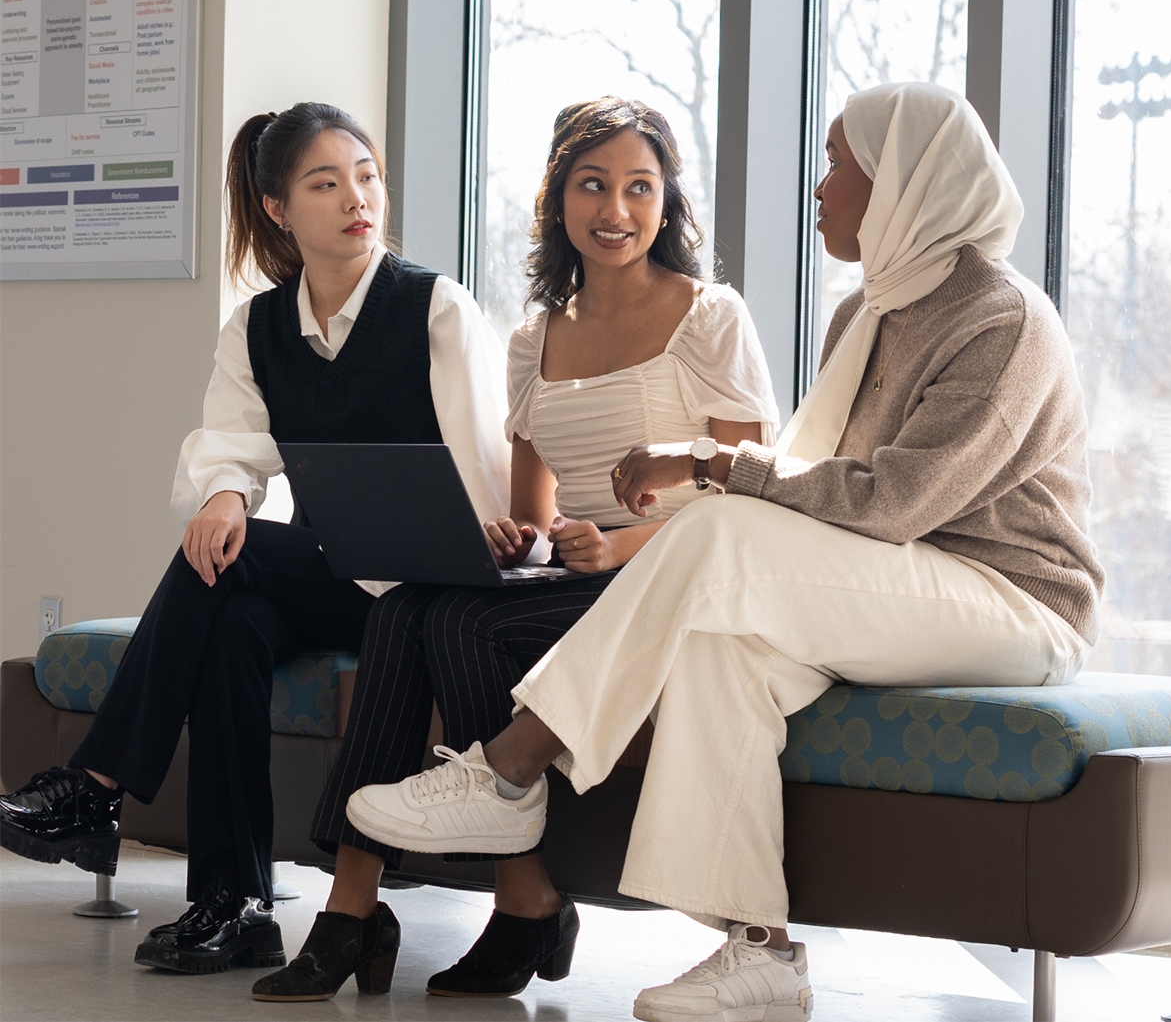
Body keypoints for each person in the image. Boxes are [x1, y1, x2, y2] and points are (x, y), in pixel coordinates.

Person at [346, 82, 1105, 1022]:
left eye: (838, 162)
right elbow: (826, 489)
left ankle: (509, 765)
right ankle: (762, 951)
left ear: (904, 180)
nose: (819, 187)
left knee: (714, 526)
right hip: (904, 582)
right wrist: (720, 476)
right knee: (717, 644)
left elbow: (894, 501)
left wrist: (706, 459)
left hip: (1013, 599)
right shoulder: (869, 312)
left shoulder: (1002, 320)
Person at [249, 96, 779, 1003]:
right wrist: (523, 534)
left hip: (677, 574)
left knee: (449, 617)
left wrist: (620, 548)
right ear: (560, 199)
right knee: (409, 603)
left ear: (668, 202)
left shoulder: (710, 317)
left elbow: (751, 498)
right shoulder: (536, 338)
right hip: (576, 576)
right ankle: (437, 897)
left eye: (640, 188)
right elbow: (535, 510)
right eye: (594, 185)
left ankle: (463, 899)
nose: (616, 211)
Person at [0, 102, 509, 980]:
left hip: (425, 591)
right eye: (326, 182)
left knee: (224, 568)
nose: (357, 197)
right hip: (330, 578)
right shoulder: (260, 326)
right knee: (229, 614)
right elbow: (228, 442)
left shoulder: (436, 308)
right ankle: (232, 905)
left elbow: (486, 473)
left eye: (366, 175)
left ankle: (97, 788)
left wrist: (239, 506)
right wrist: (230, 494)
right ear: (278, 207)